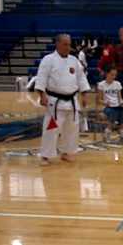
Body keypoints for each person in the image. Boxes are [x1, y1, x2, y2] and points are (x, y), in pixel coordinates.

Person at [35, 34, 90, 166]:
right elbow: (41, 78)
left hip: (72, 101)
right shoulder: (48, 59)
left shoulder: (74, 60)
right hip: (55, 102)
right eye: (65, 44)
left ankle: (67, 152)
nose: (68, 47)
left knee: (71, 129)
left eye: (69, 44)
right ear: (57, 44)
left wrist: (84, 94)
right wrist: (41, 94)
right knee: (51, 129)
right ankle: (45, 155)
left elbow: (81, 78)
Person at [97, 67, 123, 144]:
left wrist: (122, 103)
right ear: (107, 74)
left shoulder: (117, 84)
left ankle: (122, 133)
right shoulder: (101, 85)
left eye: (115, 75)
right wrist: (105, 103)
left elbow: (120, 98)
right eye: (112, 75)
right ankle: (107, 134)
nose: (114, 77)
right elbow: (99, 100)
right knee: (112, 116)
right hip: (108, 107)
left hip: (117, 106)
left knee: (121, 115)